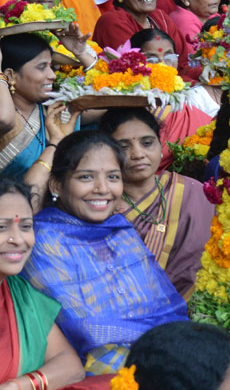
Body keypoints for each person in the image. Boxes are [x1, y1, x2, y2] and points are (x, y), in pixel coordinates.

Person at [23, 131, 188, 374]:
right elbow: (84, 328)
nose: (102, 189)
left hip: (158, 352)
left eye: (113, 177)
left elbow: (161, 306)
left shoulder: (121, 230)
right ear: (57, 184)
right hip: (92, 368)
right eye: (86, 177)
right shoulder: (43, 239)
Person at [0, 176, 112, 390]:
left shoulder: (17, 292)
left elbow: (70, 365)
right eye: (2, 228)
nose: (18, 240)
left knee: (110, 388)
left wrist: (21, 387)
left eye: (25, 227)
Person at [101, 108, 213, 296]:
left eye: (147, 143)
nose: (138, 154)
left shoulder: (193, 192)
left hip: (197, 314)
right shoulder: (100, 206)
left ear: (161, 146)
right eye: (124, 147)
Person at [0, 33, 72, 201]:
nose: (53, 75)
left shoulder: (54, 111)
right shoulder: (5, 119)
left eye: (51, 66)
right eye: (41, 67)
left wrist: (80, 50)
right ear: (10, 76)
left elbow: (114, 102)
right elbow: (5, 119)